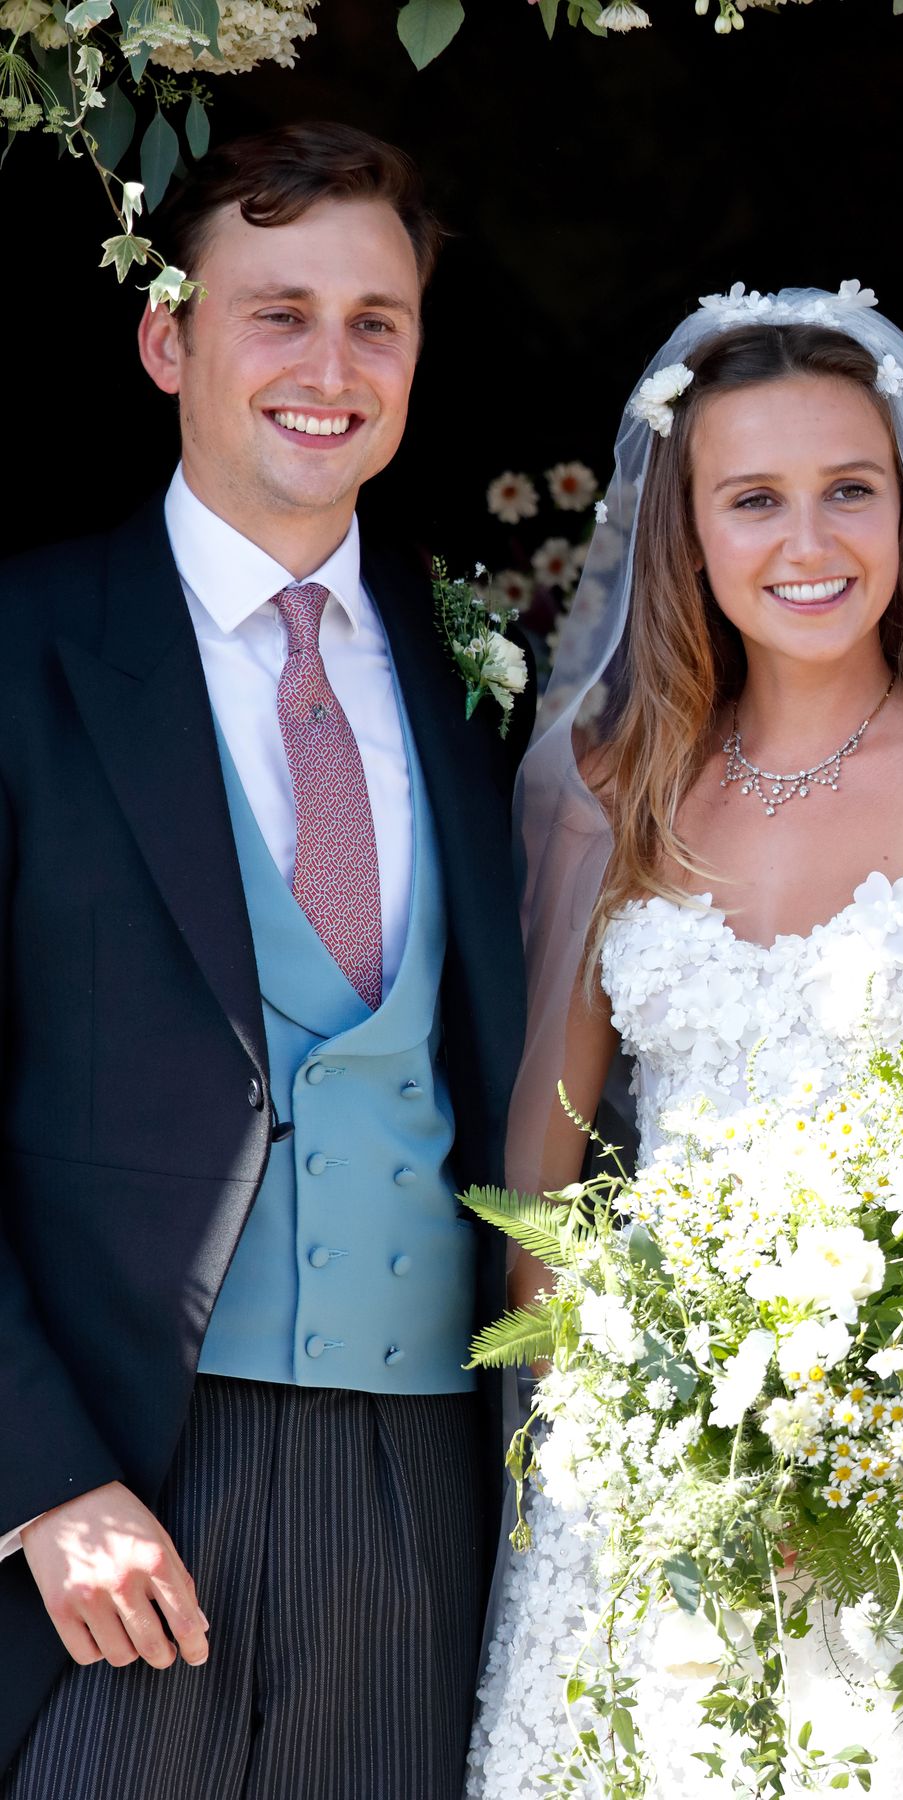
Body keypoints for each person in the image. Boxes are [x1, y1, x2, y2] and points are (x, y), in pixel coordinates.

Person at [466, 283, 903, 1797]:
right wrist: (643, 1420)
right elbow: (533, 1193)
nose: (810, 545)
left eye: (848, 491)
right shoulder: (609, 796)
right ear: (688, 531)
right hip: (652, 1505)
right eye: (756, 499)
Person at [0, 120, 532, 1800]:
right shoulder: (21, 645)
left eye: (376, 319)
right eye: (276, 311)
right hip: (120, 1493)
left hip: (429, 1480)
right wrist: (36, 1478)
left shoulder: (474, 690)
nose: (331, 363)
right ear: (168, 338)